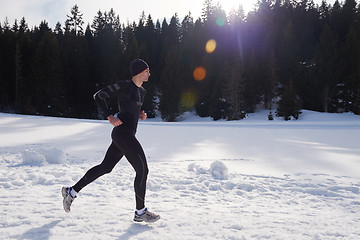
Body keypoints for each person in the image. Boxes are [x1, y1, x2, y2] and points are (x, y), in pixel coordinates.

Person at [62, 59, 160, 223]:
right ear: (139, 72)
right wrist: (109, 116)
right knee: (142, 170)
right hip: (123, 133)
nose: (149, 74)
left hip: (126, 134)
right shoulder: (123, 85)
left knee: (106, 167)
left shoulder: (142, 91)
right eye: (147, 71)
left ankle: (71, 192)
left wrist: (140, 115)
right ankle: (140, 212)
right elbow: (99, 96)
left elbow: (131, 109)